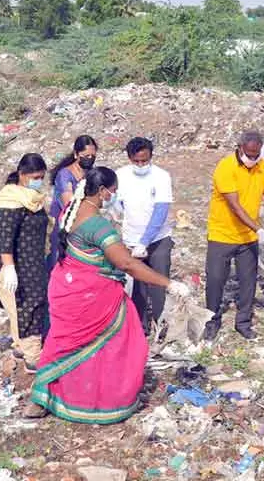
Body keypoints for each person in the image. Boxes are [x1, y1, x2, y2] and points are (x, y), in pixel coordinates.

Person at [25, 167, 190, 423]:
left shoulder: (71, 211)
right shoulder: (98, 226)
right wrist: (169, 284)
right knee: (121, 341)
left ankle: (46, 397)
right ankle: (105, 401)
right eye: (113, 191)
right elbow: (127, 265)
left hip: (66, 287)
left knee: (62, 343)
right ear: (102, 192)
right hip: (92, 297)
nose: (115, 196)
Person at [0, 153, 50, 370]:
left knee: (25, 304)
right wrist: (8, 268)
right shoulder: (10, 201)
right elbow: (3, 236)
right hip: (12, 265)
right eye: (35, 176)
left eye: (41, 177)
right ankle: (33, 356)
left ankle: (19, 346)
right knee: (27, 306)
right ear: (21, 174)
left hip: (31, 263)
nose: (38, 180)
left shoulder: (31, 197)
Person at [204, 130, 264, 341]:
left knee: (248, 282)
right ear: (239, 148)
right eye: (249, 154)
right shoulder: (226, 167)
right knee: (216, 280)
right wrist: (259, 229)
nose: (252, 159)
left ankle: (243, 322)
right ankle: (211, 321)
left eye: (256, 155)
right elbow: (235, 206)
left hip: (248, 238)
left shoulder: (261, 166)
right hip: (222, 234)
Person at [111, 137, 174, 333]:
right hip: (131, 240)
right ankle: (140, 326)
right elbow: (117, 204)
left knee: (158, 282)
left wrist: (144, 242)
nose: (140, 165)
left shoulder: (161, 176)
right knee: (137, 286)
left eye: (144, 161)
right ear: (130, 158)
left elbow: (160, 211)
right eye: (136, 161)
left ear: (151, 157)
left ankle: (160, 324)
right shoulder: (120, 176)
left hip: (157, 240)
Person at [46, 135, 98, 271]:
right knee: (59, 266)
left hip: (85, 227)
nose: (90, 159)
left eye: (93, 156)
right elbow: (69, 204)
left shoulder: (91, 173)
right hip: (65, 227)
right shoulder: (65, 175)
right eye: (86, 156)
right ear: (76, 154)